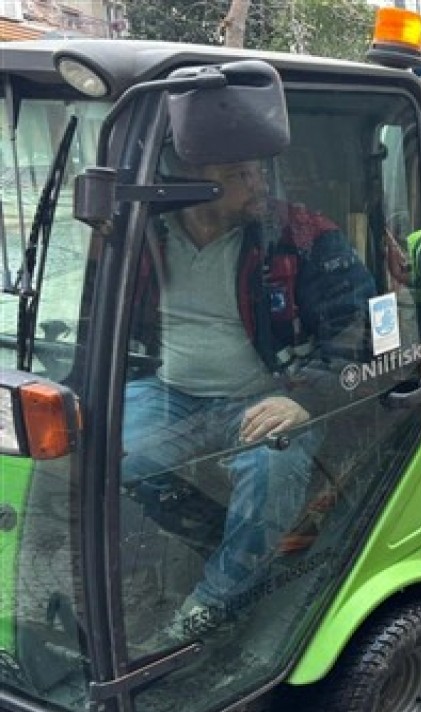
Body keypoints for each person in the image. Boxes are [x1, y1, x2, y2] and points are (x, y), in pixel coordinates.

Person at [124, 152, 375, 644]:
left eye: (258, 169)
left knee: (271, 466)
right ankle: (230, 548)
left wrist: (307, 399)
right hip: (170, 389)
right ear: (189, 184)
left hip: (269, 394)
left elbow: (360, 327)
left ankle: (214, 604)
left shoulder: (302, 236)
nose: (257, 183)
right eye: (236, 173)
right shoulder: (143, 231)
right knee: (115, 458)